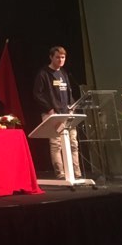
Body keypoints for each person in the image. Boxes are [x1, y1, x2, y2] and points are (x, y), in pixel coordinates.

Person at [33, 46, 82, 179]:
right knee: (56, 144)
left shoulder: (64, 73)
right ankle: (60, 173)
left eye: (63, 57)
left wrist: (72, 106)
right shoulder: (43, 73)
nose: (60, 60)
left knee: (73, 143)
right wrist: (49, 108)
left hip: (67, 114)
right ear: (51, 57)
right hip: (53, 114)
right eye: (57, 57)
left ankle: (76, 172)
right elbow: (37, 94)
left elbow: (68, 93)